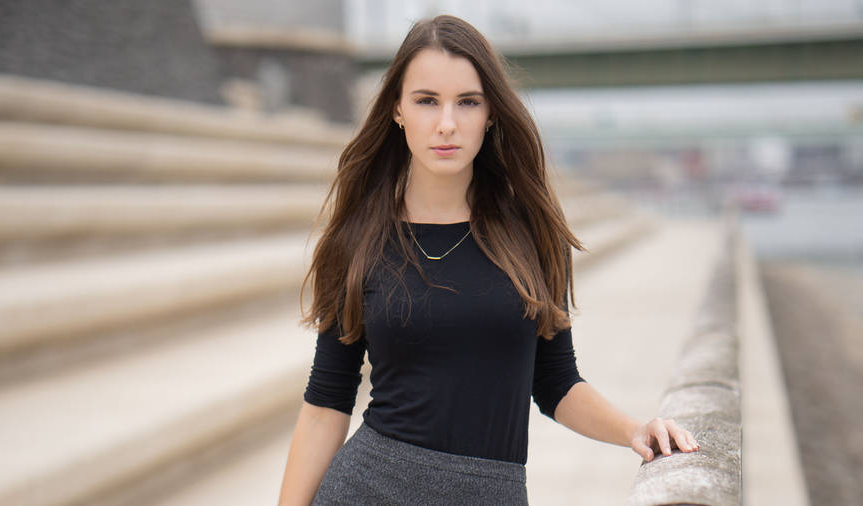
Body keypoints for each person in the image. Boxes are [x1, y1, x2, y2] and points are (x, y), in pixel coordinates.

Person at [278, 14, 699, 506]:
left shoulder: (529, 235)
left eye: (468, 102)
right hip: (367, 489)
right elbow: (326, 403)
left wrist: (634, 430)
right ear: (397, 110)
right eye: (426, 101)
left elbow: (555, 382)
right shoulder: (359, 239)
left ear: (491, 113)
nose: (447, 123)